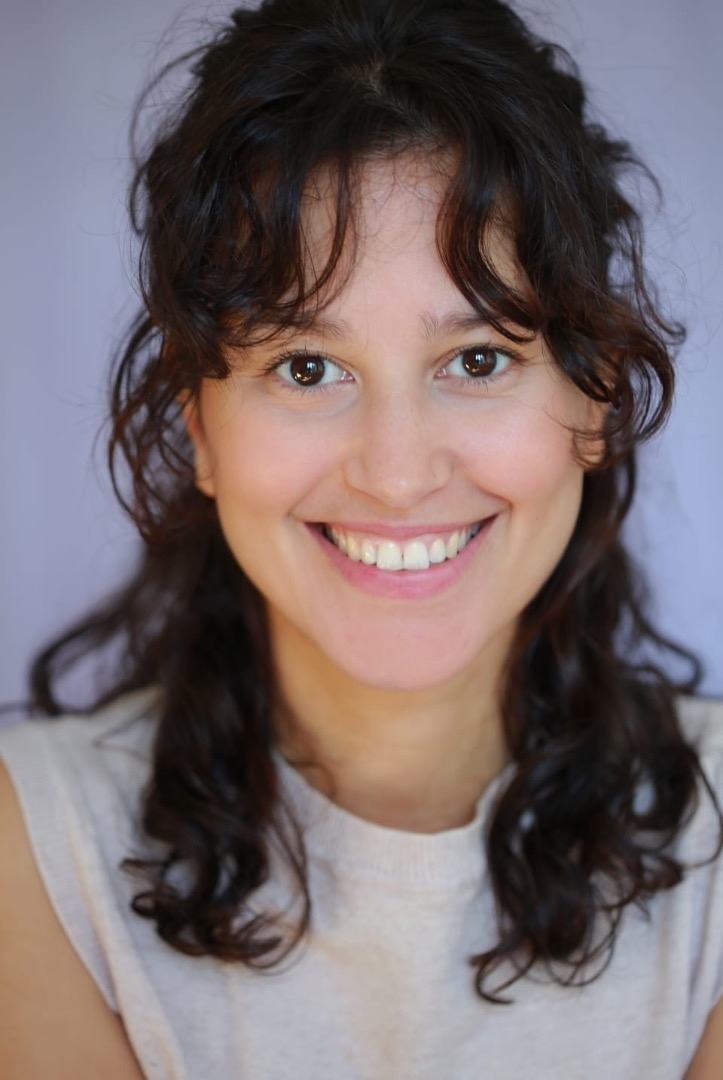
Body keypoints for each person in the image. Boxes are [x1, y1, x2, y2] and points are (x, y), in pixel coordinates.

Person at [1, 0, 721, 1076]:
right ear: (198, 427)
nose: (395, 473)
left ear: (595, 400)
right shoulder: (31, 851)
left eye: (477, 359)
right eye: (306, 367)